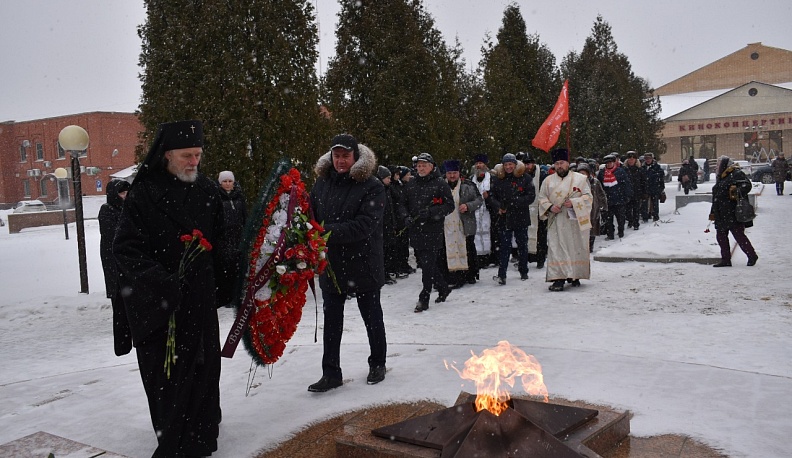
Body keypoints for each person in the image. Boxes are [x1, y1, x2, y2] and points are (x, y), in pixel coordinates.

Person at [113, 120, 229, 457]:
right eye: (187, 155)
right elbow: (125, 250)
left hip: (201, 302)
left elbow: (222, 242)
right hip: (160, 308)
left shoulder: (208, 191)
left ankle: (204, 436)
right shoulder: (144, 194)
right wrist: (164, 283)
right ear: (166, 156)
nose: (194, 161)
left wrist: (241, 272)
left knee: (205, 371)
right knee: (169, 378)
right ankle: (175, 439)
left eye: (198, 154)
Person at [308, 134, 388, 392]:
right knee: (332, 321)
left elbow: (365, 225)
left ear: (355, 157)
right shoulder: (321, 184)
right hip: (330, 264)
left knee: (371, 316)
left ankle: (378, 363)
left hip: (363, 261)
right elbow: (311, 216)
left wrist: (324, 231)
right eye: (337, 155)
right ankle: (330, 373)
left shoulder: (372, 185)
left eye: (346, 155)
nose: (341, 161)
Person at [399, 152, 454, 312]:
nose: (421, 168)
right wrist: (406, 217)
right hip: (416, 230)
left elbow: (449, 206)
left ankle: (424, 298)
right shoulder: (411, 183)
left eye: (424, 165)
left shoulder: (440, 184)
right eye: (419, 165)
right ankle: (443, 287)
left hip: (432, 230)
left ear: (431, 167)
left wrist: (432, 213)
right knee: (424, 263)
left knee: (428, 264)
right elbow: (402, 204)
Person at [537, 148, 593, 292]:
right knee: (557, 249)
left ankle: (574, 275)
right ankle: (558, 279)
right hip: (556, 221)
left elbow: (588, 198)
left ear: (568, 163)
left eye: (562, 163)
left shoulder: (580, 179)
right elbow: (541, 197)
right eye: (556, 163)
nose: (559, 166)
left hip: (574, 221)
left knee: (574, 247)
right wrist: (549, 207)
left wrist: (574, 203)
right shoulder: (548, 181)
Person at [490, 153, 535, 285]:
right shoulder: (498, 179)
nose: (508, 167)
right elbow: (491, 196)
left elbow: (531, 196)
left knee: (522, 245)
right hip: (505, 218)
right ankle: (502, 274)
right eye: (506, 165)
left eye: (510, 164)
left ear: (515, 165)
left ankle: (523, 270)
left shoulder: (525, 178)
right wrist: (498, 206)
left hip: (521, 216)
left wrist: (515, 201)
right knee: (504, 247)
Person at [98, 179, 132, 357]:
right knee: (119, 303)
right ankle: (122, 344)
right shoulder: (108, 210)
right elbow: (116, 234)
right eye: (121, 193)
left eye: (127, 192)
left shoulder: (130, 209)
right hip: (115, 262)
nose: (125, 196)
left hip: (130, 262)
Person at [709, 156, 758, 267]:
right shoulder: (722, 176)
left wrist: (736, 191)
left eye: (718, 164)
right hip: (721, 212)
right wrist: (713, 212)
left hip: (732, 211)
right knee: (721, 237)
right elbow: (716, 196)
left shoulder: (735, 173)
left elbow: (747, 185)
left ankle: (752, 255)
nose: (717, 166)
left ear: (725, 164)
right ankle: (726, 260)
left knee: (738, 236)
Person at [442, 159, 483, 288]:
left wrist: (468, 206)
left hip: (464, 223)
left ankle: (469, 274)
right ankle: (452, 276)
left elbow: (479, 200)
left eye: (454, 173)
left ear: (459, 173)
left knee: (467, 249)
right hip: (447, 225)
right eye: (449, 173)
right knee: (448, 250)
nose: (452, 176)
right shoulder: (440, 186)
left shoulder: (468, 185)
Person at [217, 170, 247, 306]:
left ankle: (237, 295)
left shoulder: (239, 197)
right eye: (225, 181)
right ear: (220, 182)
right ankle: (226, 296)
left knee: (238, 267)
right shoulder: (217, 197)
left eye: (230, 181)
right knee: (225, 268)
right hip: (223, 237)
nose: (228, 184)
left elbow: (244, 216)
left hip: (238, 236)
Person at [597, 154, 632, 239]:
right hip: (607, 200)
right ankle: (610, 234)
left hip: (619, 199)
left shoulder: (620, 171)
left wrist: (627, 195)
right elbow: (599, 186)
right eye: (607, 163)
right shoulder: (602, 173)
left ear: (614, 162)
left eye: (610, 162)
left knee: (620, 218)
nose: (609, 164)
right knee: (608, 219)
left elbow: (626, 184)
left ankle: (621, 232)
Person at [470, 153, 495, 268]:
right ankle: (479, 257)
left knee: (488, 232)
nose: (479, 165)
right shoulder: (471, 179)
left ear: (485, 165)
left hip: (488, 211)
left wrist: (488, 197)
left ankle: (490, 257)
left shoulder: (492, 178)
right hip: (475, 211)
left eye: (481, 163)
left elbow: (496, 194)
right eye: (477, 163)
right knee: (476, 233)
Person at [523, 153, 549, 269]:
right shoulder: (522, 175)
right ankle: (529, 257)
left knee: (541, 235)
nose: (528, 166)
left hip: (540, 208)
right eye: (526, 164)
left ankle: (540, 258)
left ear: (533, 163)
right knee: (527, 234)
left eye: (529, 164)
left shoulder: (542, 175)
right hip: (527, 209)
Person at [576, 163, 608, 253]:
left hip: (593, 208)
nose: (582, 175)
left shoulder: (595, 182)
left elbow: (601, 194)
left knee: (592, 228)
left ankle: (590, 246)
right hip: (581, 208)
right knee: (582, 227)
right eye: (580, 173)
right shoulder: (575, 183)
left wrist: (603, 206)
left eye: (584, 173)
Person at [377, 165, 399, 284]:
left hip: (388, 225)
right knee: (383, 252)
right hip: (382, 227)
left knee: (388, 251)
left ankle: (386, 273)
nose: (390, 180)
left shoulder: (387, 189)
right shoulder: (379, 190)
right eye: (388, 178)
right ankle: (383, 274)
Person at [622, 151, 646, 230]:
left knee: (636, 209)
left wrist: (644, 192)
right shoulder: (624, 170)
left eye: (633, 159)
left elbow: (643, 182)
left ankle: (636, 223)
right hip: (627, 193)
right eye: (629, 159)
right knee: (627, 210)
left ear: (636, 160)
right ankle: (630, 220)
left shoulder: (639, 170)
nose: (631, 160)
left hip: (637, 192)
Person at [641, 153, 665, 222]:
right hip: (645, 188)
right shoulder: (643, 168)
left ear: (652, 159)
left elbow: (661, 179)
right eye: (646, 159)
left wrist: (661, 189)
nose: (648, 160)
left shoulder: (657, 167)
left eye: (649, 158)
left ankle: (655, 216)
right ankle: (645, 217)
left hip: (655, 188)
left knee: (655, 203)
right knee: (644, 204)